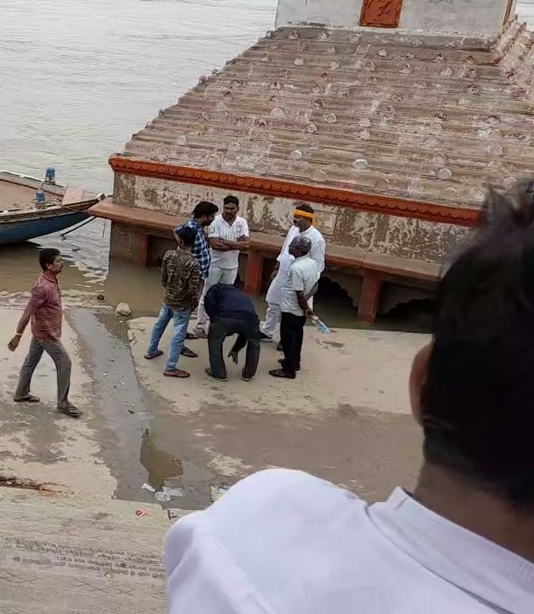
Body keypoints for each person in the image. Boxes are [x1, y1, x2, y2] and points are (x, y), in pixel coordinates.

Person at [164, 181, 534, 613]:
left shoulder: (258, 514)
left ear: (420, 383)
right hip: (273, 305)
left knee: (287, 338)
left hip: (284, 305)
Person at [8, 248, 82, 418]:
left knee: (31, 361)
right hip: (46, 334)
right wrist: (17, 335)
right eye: (58, 260)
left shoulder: (52, 279)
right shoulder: (42, 287)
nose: (62, 262)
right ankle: (63, 403)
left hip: (42, 329)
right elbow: (28, 311)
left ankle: (21, 393)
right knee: (65, 363)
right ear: (49, 265)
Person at [144, 227, 204, 379]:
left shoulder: (168, 255)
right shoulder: (193, 263)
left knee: (159, 325)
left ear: (180, 240)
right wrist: (193, 303)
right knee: (178, 334)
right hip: (182, 305)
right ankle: (170, 367)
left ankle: (151, 351)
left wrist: (170, 291)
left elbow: (163, 279)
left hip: (168, 298)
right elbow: (193, 289)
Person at [261, 203, 326, 340]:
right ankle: (267, 331)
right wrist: (276, 267)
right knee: (273, 304)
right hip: (283, 273)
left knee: (291, 312)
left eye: (299, 217)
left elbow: (318, 265)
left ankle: (286, 341)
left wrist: (309, 287)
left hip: (298, 279)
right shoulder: (293, 229)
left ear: (308, 220)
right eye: (295, 216)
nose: (295, 220)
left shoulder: (317, 239)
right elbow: (284, 249)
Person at [192, 195, 250, 336]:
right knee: (207, 294)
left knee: (225, 297)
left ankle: (217, 325)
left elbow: (247, 245)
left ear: (237, 208)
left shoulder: (242, 222)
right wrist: (237, 244)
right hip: (214, 265)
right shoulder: (215, 221)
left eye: (232, 208)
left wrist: (225, 241)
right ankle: (200, 325)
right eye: (226, 208)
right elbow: (215, 245)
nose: (229, 211)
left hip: (231, 266)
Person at [269, 237, 320, 381]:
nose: (289, 248)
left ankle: (288, 370)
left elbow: (298, 293)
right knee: (297, 336)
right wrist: (307, 307)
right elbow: (316, 285)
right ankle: (294, 362)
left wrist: (304, 307)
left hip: (291, 309)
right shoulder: (312, 264)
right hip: (300, 309)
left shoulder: (296, 268)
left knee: (288, 338)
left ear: (298, 250)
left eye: (292, 246)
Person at [172, 201, 217, 344]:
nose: (213, 219)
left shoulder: (198, 227)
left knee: (189, 307)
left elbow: (176, 229)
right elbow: (176, 230)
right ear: (204, 216)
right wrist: (182, 247)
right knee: (186, 307)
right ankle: (179, 340)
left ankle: (182, 333)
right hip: (192, 276)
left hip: (200, 273)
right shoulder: (191, 227)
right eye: (211, 216)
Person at [202, 284, 262, 382]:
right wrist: (236, 349)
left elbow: (208, 302)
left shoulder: (216, 288)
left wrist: (213, 320)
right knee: (254, 342)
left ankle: (219, 373)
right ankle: (248, 373)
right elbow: (245, 332)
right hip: (250, 320)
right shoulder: (243, 295)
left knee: (215, 339)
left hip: (225, 317)